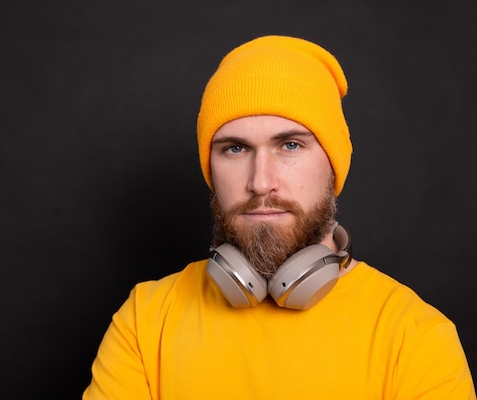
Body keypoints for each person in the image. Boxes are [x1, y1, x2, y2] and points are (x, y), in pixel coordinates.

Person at [82, 35, 476, 399]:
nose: (260, 182)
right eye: (235, 149)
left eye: (290, 145)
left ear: (334, 166)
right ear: (210, 168)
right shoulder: (145, 319)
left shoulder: (416, 336)